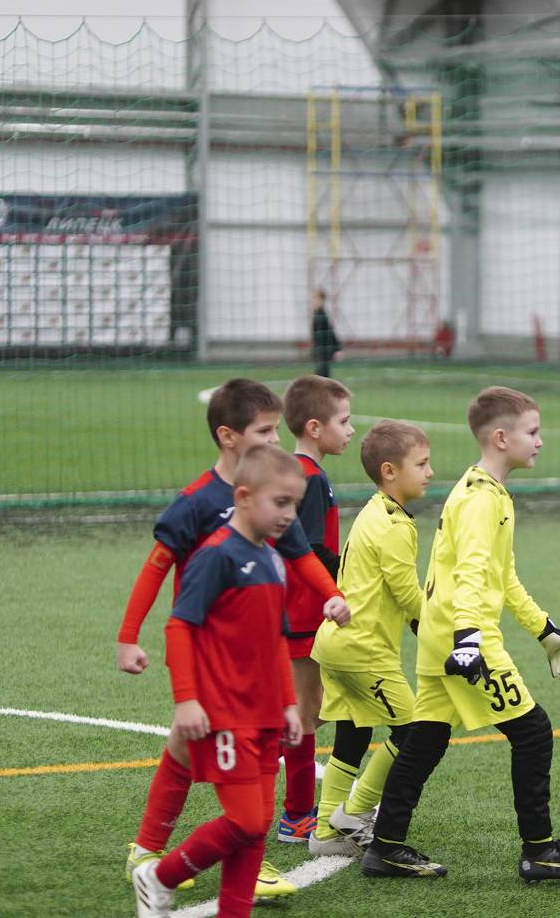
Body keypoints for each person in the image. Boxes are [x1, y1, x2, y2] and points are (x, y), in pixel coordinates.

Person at [117, 379, 350, 902]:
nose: (274, 440)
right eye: (264, 431)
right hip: (204, 649)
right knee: (214, 747)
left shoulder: (273, 499)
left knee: (193, 746)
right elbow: (155, 570)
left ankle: (155, 850)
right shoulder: (198, 502)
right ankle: (198, 851)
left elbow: (300, 556)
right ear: (228, 436)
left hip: (254, 649)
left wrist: (332, 596)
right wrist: (128, 637)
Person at [360, 387, 560, 883]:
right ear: (501, 438)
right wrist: (469, 638)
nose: (540, 441)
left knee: (426, 739)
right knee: (532, 732)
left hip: (442, 635)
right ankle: (539, 849)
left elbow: (503, 576)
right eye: (532, 432)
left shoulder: (488, 493)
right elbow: (470, 572)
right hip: (462, 638)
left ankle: (384, 847)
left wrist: (544, 630)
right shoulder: (480, 500)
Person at [130, 445, 309, 918]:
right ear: (244, 497)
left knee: (258, 825)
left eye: (295, 504)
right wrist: (187, 700)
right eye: (280, 502)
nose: (289, 515)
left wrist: (288, 704)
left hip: (266, 712)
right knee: (245, 820)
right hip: (226, 711)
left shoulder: (273, 560)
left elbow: (276, 640)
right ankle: (159, 875)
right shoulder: (215, 556)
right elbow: (179, 627)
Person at [309, 420, 433, 857]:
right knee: (414, 730)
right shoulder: (395, 525)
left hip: (335, 643)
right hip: (362, 650)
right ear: (389, 471)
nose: (430, 472)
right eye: (421, 464)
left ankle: (326, 833)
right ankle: (355, 812)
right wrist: (446, 628)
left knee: (353, 733)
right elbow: (407, 593)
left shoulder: (373, 510)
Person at [275, 375, 356, 844]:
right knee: (308, 713)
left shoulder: (306, 472)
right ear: (314, 427)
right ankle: (297, 816)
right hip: (306, 612)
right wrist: (348, 582)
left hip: (309, 609)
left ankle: (266, 755)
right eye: (344, 421)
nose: (351, 431)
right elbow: (305, 550)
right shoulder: (308, 476)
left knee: (318, 706)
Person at [311, 289, 343, 378]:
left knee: (322, 376)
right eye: (312, 299)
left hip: (324, 352)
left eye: (315, 299)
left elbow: (330, 333)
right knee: (320, 376)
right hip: (320, 351)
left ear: (322, 301)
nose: (313, 302)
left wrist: (337, 348)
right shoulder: (317, 314)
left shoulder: (322, 315)